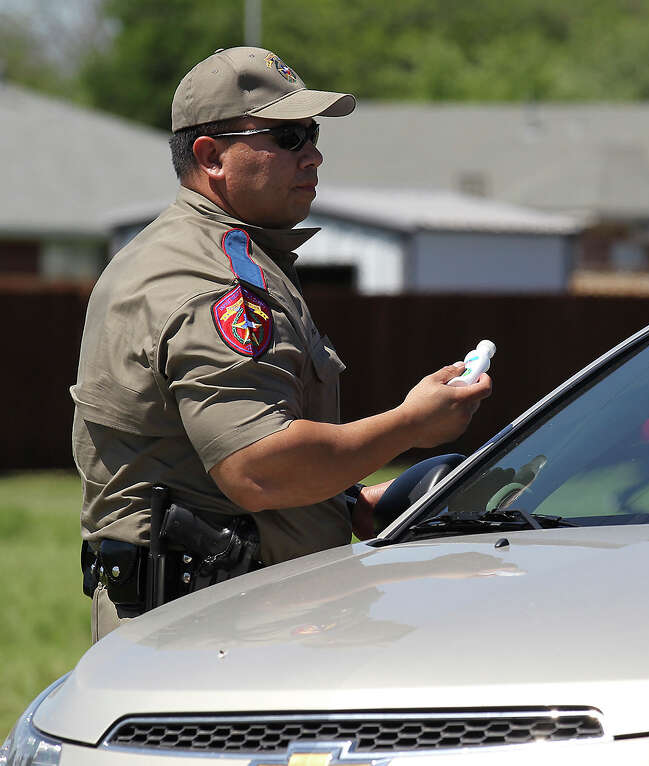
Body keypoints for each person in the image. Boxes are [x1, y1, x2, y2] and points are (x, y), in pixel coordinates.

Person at [71, 47, 492, 642]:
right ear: (211, 156)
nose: (314, 155)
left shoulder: (231, 257)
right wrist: (411, 426)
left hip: (242, 626)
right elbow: (261, 470)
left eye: (313, 133)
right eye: (289, 136)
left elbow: (211, 464)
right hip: (209, 646)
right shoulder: (206, 280)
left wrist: (349, 503)